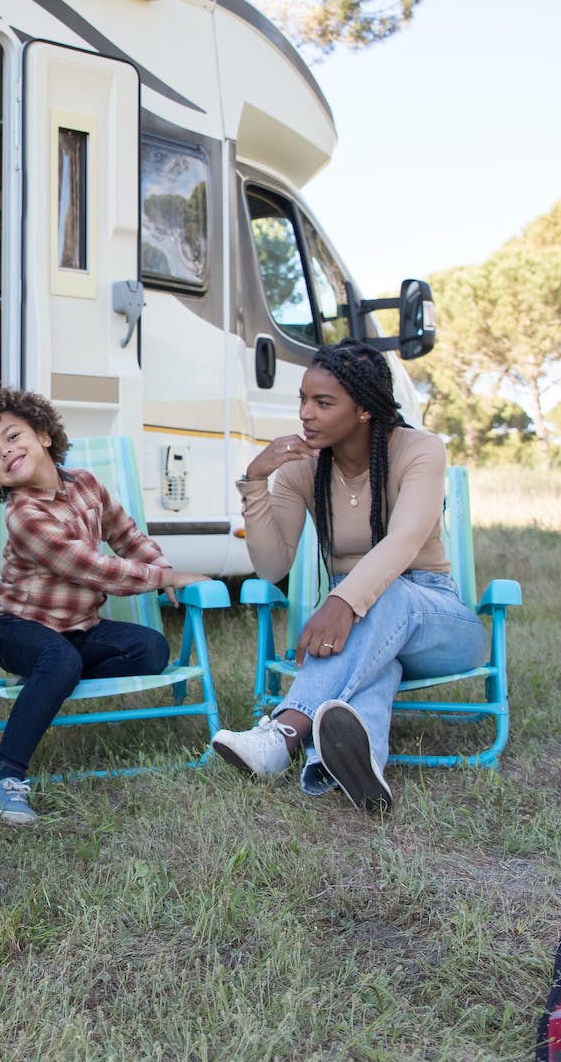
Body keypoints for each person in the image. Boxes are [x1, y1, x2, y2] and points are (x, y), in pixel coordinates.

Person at [210, 339, 486, 815]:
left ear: (363, 410)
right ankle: (344, 767)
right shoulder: (302, 468)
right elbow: (273, 565)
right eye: (302, 399)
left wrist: (342, 602)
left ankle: (284, 732)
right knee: (375, 668)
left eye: (322, 402)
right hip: (367, 641)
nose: (305, 414)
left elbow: (402, 542)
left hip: (436, 621)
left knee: (389, 596)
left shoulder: (419, 450)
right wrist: (255, 482)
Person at [0, 386, 208, 825]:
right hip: (17, 629)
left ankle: (49, 677)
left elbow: (126, 536)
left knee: (151, 651)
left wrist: (161, 567)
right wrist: (167, 578)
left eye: (13, 437)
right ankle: (1, 780)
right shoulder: (24, 516)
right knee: (57, 657)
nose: (6, 453)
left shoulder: (87, 484)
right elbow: (93, 569)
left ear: (45, 435)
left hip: (77, 628)